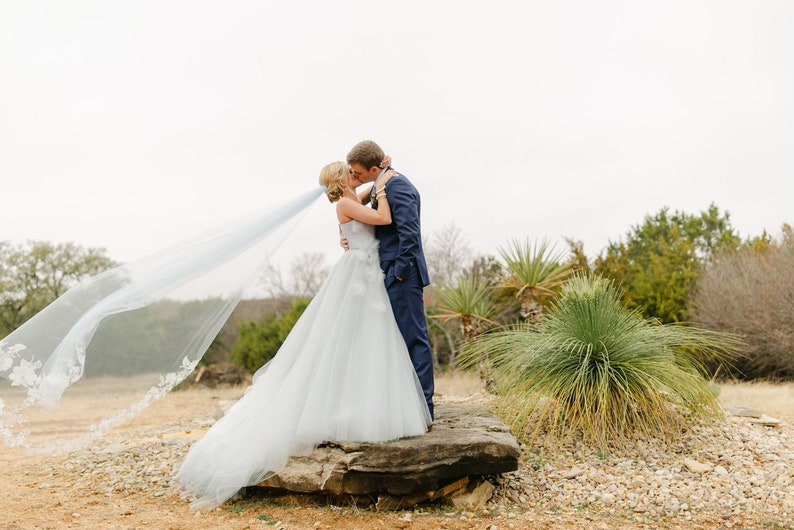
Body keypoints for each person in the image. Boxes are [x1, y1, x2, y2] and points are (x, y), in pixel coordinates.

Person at [175, 160, 432, 510]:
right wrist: (384, 186)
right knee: (354, 338)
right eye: (349, 173)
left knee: (367, 342)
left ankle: (362, 401)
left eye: (356, 172)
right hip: (360, 274)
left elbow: (365, 193)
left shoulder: (349, 198)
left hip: (367, 272)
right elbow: (384, 218)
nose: (354, 177)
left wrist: (381, 175)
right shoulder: (345, 203)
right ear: (341, 179)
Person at [346, 141, 435, 420]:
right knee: (391, 341)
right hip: (382, 272)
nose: (355, 178)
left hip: (402, 276)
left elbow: (410, 234)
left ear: (373, 168)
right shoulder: (380, 184)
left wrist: (398, 272)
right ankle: (404, 407)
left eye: (358, 173)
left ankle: (425, 411)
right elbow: (353, 204)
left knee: (413, 339)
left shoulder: (398, 187)